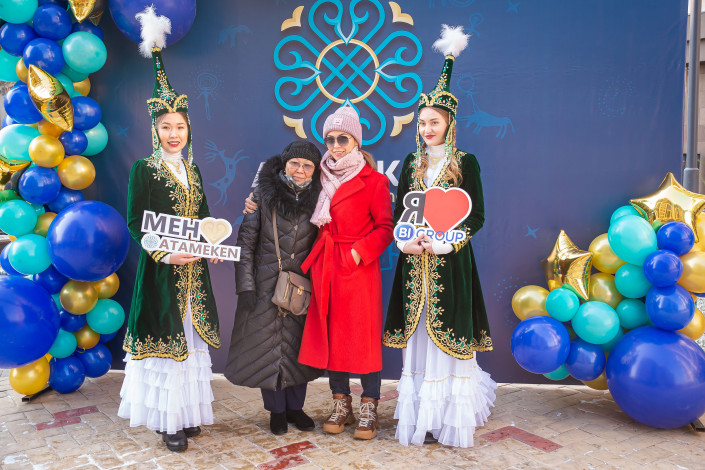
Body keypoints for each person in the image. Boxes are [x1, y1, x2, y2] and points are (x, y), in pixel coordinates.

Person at [383, 25, 497, 448]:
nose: (426, 128)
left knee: (446, 339)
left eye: (434, 121)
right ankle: (422, 417)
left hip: (450, 265)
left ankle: (447, 419)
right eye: (422, 122)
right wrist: (405, 241)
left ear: (449, 123)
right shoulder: (411, 163)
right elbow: (401, 215)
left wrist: (447, 242)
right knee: (418, 342)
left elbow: (477, 216)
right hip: (415, 266)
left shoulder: (466, 162)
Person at [118, 7, 221, 453]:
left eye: (179, 126)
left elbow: (204, 215)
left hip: (193, 270)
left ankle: (187, 414)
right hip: (162, 272)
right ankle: (167, 422)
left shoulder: (192, 170)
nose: (173, 133)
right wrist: (163, 253)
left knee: (190, 340)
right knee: (167, 344)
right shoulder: (144, 169)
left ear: (188, 129)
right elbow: (135, 221)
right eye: (166, 127)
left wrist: (212, 243)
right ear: (155, 130)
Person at [298, 105, 394, 440]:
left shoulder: (374, 180)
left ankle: (370, 405)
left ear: (356, 141)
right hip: (325, 265)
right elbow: (288, 200)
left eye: (343, 138)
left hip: (357, 269)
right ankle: (341, 403)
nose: (336, 145)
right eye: (330, 139)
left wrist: (357, 253)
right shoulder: (318, 178)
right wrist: (254, 202)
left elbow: (385, 228)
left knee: (363, 339)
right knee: (333, 336)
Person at [225, 140, 324, 436]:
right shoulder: (262, 195)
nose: (300, 170)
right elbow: (246, 244)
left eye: (307, 166)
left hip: (304, 287)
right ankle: (277, 411)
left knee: (297, 348)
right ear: (284, 164)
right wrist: (245, 287)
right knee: (267, 349)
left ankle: (296, 408)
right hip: (265, 285)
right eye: (294, 163)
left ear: (315, 170)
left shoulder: (322, 199)